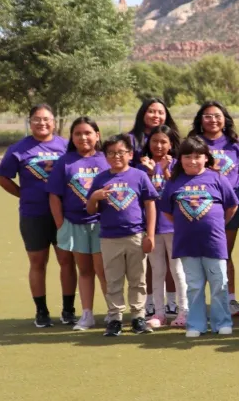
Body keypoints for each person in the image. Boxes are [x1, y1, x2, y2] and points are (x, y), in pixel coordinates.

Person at [0, 104, 72, 328]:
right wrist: (22, 194)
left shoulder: (66, 146)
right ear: (30, 122)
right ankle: (41, 311)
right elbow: (2, 177)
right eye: (37, 119)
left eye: (46, 119)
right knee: (38, 262)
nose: (42, 123)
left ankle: (68, 310)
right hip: (33, 214)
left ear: (54, 122)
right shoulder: (18, 149)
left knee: (66, 261)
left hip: (63, 214)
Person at [160, 136, 239, 337]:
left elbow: (232, 206)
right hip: (187, 244)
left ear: (206, 158)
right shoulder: (173, 182)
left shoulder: (218, 178)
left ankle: (222, 322)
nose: (192, 161)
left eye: (198, 156)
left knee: (219, 283)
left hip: (214, 243)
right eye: (187, 156)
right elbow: (168, 212)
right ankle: (196, 324)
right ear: (180, 159)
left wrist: (217, 224)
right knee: (194, 286)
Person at [86, 136, 159, 336]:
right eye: (111, 153)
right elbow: (90, 209)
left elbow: (150, 204)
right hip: (109, 237)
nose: (116, 156)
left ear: (130, 154)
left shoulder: (139, 176)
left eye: (120, 152)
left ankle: (138, 317)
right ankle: (115, 318)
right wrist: (94, 197)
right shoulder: (101, 178)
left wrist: (150, 235)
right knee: (113, 279)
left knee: (138, 279)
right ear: (105, 156)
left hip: (135, 235)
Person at [189, 101, 239, 317]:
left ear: (224, 119)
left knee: (223, 254)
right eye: (207, 116)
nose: (213, 120)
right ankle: (197, 304)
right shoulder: (194, 143)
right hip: (198, 207)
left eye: (217, 115)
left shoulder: (236, 143)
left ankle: (230, 299)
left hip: (229, 209)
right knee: (198, 256)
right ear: (200, 120)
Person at [48, 117, 110, 332]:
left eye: (88, 133)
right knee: (84, 271)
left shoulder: (106, 159)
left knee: (104, 271)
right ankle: (87, 314)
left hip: (103, 225)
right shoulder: (65, 162)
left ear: (97, 135)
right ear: (72, 137)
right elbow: (54, 196)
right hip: (75, 223)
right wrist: (61, 224)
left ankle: (113, 313)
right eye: (78, 134)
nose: (83, 137)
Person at [140, 125, 187, 329]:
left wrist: (166, 171)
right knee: (157, 270)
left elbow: (178, 191)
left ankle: (183, 311)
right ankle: (159, 313)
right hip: (152, 227)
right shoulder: (141, 166)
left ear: (170, 144)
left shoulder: (178, 164)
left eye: (163, 142)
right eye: (154, 142)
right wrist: (149, 174)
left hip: (174, 226)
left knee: (177, 270)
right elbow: (141, 195)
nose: (158, 146)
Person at [126, 97, 174, 163]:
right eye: (151, 111)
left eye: (160, 113)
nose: (156, 116)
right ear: (142, 114)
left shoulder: (173, 138)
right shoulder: (129, 140)